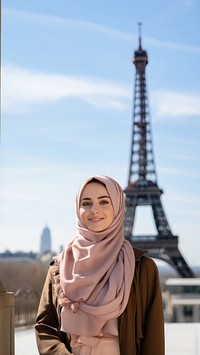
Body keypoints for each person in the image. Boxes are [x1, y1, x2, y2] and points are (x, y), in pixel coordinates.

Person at [35, 175, 165, 355]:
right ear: (77, 210)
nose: (94, 210)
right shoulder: (59, 267)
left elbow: (153, 336)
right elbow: (45, 325)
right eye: (86, 203)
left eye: (104, 202)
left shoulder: (142, 269)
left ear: (118, 207)